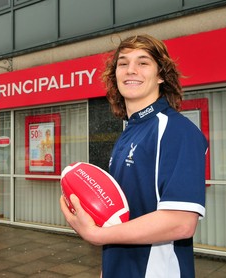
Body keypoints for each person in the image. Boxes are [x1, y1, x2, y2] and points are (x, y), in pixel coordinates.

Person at [60, 34, 208, 277]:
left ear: (161, 75)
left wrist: (97, 235)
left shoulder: (176, 130)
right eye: (123, 63)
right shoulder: (129, 132)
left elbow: (181, 222)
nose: (131, 70)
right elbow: (119, 216)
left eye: (143, 62)